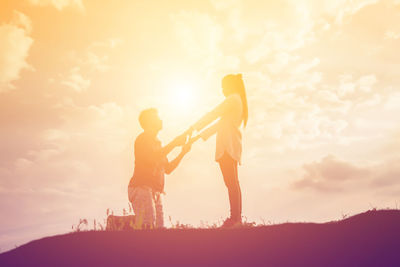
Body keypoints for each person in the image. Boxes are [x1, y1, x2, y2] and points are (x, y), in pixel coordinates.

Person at [187, 74, 248, 228]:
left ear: (231, 85)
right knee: (233, 183)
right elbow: (219, 125)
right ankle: (236, 218)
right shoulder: (237, 100)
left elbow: (214, 114)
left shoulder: (233, 99)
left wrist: (193, 127)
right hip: (231, 145)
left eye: (223, 86)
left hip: (227, 146)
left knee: (231, 183)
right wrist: (198, 136)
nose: (222, 89)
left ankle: (235, 219)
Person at [128, 108, 192, 229]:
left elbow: (168, 169)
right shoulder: (143, 139)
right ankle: (124, 224)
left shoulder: (158, 143)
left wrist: (183, 153)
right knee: (148, 227)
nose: (160, 120)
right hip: (141, 187)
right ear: (149, 122)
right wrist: (174, 143)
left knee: (158, 231)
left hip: (155, 191)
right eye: (156, 118)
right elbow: (153, 157)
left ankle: (125, 224)